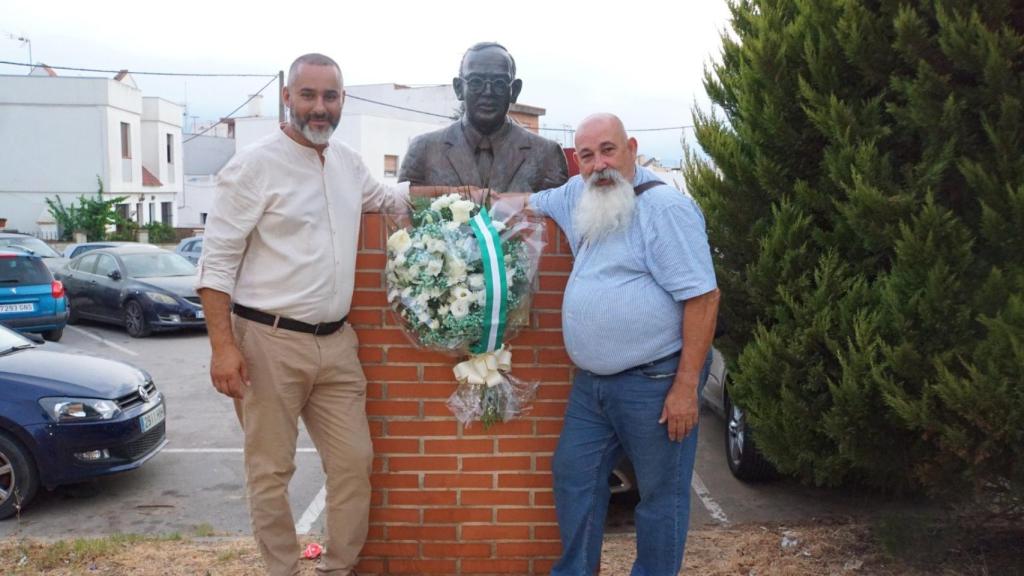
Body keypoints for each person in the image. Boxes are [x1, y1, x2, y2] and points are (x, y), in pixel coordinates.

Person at [197, 53, 417, 576]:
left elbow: (390, 199)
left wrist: (466, 195)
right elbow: (216, 264)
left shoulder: (346, 163)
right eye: (309, 96)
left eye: (330, 97)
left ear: (342, 101)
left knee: (353, 466)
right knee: (271, 471)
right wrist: (223, 348)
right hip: (266, 344)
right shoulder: (252, 166)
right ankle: (284, 570)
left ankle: (337, 568)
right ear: (287, 98)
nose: (320, 108)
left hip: (337, 346)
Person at [522, 113, 720, 575]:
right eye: (586, 156)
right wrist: (463, 204)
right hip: (593, 387)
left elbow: (704, 298)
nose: (598, 165)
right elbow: (525, 202)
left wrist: (686, 387)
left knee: (659, 498)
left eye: (608, 150)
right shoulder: (579, 193)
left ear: (631, 148)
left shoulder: (665, 208)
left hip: (655, 381)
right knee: (574, 478)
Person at [399, 42, 568, 193]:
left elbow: (557, 221)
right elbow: (401, 218)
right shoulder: (423, 150)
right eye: (476, 82)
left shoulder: (547, 155)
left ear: (514, 91)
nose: (488, 92)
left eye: (500, 83)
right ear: (459, 88)